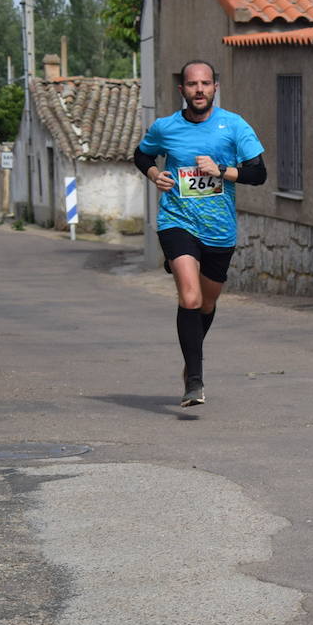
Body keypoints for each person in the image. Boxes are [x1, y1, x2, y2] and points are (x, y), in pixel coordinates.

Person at [133, 60, 266, 407]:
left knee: (206, 303)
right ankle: (194, 379)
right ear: (182, 90)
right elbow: (141, 154)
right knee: (189, 298)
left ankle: (191, 359)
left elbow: (259, 173)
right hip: (177, 221)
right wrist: (152, 173)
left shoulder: (233, 126)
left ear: (214, 88)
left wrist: (222, 170)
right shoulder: (165, 128)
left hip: (219, 230)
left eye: (206, 83)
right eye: (193, 84)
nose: (199, 90)